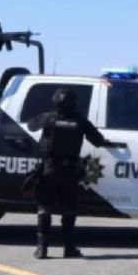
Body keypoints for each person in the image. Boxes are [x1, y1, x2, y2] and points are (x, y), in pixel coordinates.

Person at [27, 89, 120, 259]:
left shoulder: (49, 118)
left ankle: (42, 249)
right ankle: (69, 248)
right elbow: (97, 140)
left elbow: (31, 125)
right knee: (69, 210)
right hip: (69, 171)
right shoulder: (80, 120)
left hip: (49, 169)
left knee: (44, 209)